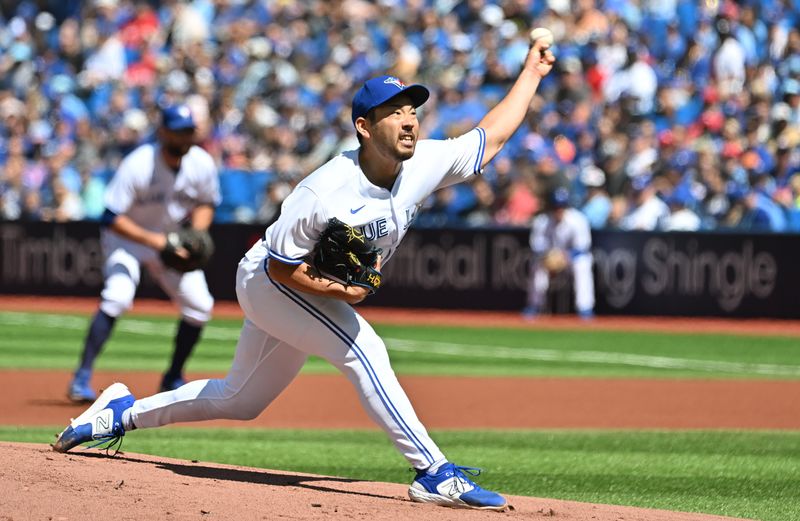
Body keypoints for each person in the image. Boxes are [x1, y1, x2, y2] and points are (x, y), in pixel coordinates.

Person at [54, 38, 556, 511]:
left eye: (412, 111)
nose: (409, 122)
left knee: (240, 399)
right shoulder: (323, 191)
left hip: (293, 283)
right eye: (394, 113)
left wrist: (531, 72)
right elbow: (280, 266)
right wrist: (346, 291)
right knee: (363, 348)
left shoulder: (424, 161)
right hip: (268, 281)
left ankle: (119, 413)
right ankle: (432, 471)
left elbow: (490, 138)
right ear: (364, 126)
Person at [66, 104, 220, 402]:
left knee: (201, 305)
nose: (184, 137)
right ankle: (81, 377)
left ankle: (172, 376)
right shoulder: (138, 164)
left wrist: (197, 235)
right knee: (118, 295)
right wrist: (156, 241)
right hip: (129, 239)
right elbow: (110, 216)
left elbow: (206, 202)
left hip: (171, 239)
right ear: (163, 132)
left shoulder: (201, 163)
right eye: (178, 131)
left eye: (189, 132)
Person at [523, 187, 595, 320]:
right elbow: (536, 246)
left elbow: (583, 247)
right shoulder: (542, 221)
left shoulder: (578, 220)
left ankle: (585, 308)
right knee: (536, 265)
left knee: (583, 264)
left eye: (562, 206)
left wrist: (565, 257)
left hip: (572, 259)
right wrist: (549, 257)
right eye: (556, 207)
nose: (559, 210)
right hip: (549, 257)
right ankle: (534, 305)